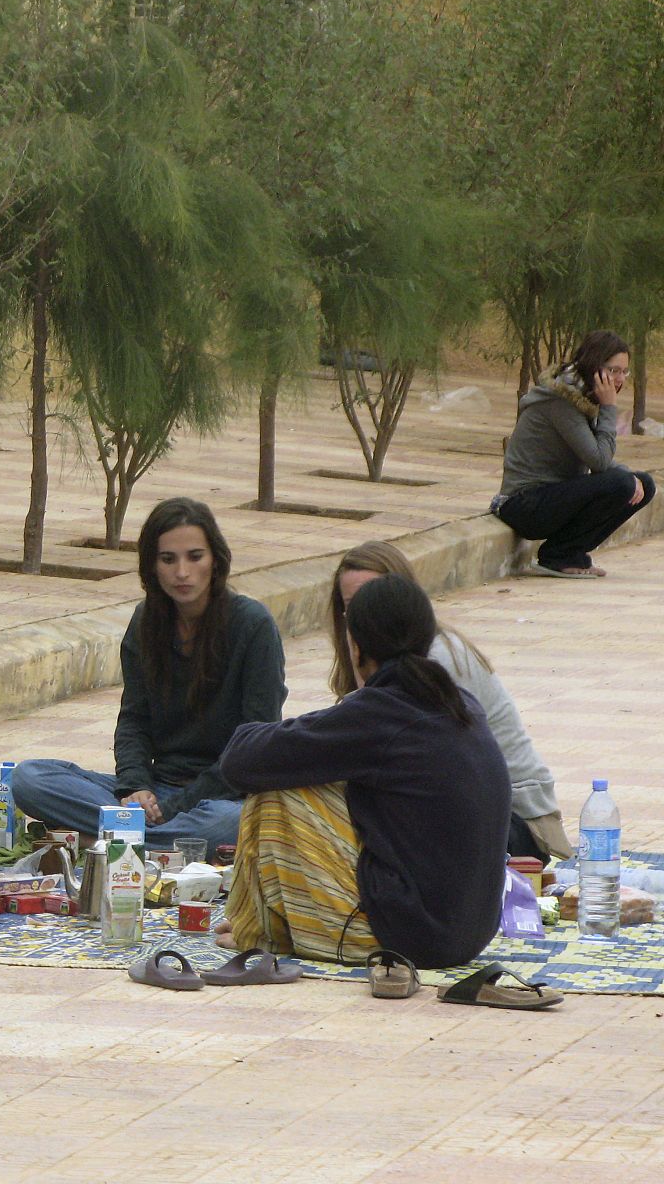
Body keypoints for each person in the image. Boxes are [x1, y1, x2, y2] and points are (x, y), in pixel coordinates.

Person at [220, 574, 511, 969]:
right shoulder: (459, 702)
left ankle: (252, 931)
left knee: (274, 796)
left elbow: (241, 761)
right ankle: (265, 925)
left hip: (412, 938)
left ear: (355, 646)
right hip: (466, 935)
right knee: (318, 783)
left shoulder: (382, 712)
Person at [9, 497, 286, 850]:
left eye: (195, 557)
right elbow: (134, 721)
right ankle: (147, 840)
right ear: (151, 567)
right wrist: (135, 787)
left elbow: (255, 744)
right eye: (168, 559)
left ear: (215, 560)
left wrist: (173, 808)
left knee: (232, 823)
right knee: (29, 778)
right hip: (156, 791)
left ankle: (116, 839)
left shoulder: (253, 624)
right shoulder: (146, 622)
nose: (182, 572)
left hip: (222, 795)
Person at [329, 541, 573, 863]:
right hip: (460, 815)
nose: (369, 611)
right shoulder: (369, 653)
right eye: (353, 605)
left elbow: (373, 744)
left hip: (517, 825)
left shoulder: (435, 658)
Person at [493, 329, 655, 579]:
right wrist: (609, 407)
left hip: (552, 497)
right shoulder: (561, 401)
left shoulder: (585, 397)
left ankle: (565, 552)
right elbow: (599, 461)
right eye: (613, 370)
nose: (620, 378)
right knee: (623, 482)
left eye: (624, 371)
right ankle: (559, 555)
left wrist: (628, 476)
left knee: (644, 484)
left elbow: (599, 457)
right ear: (594, 367)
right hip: (523, 504)